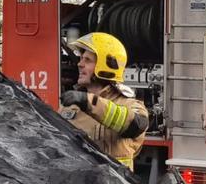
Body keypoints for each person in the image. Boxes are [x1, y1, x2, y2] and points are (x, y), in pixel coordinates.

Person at [59, 32, 148, 167]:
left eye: (87, 60)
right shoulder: (71, 106)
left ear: (106, 66)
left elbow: (137, 126)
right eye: (81, 58)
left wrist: (88, 102)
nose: (79, 64)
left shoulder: (127, 104)